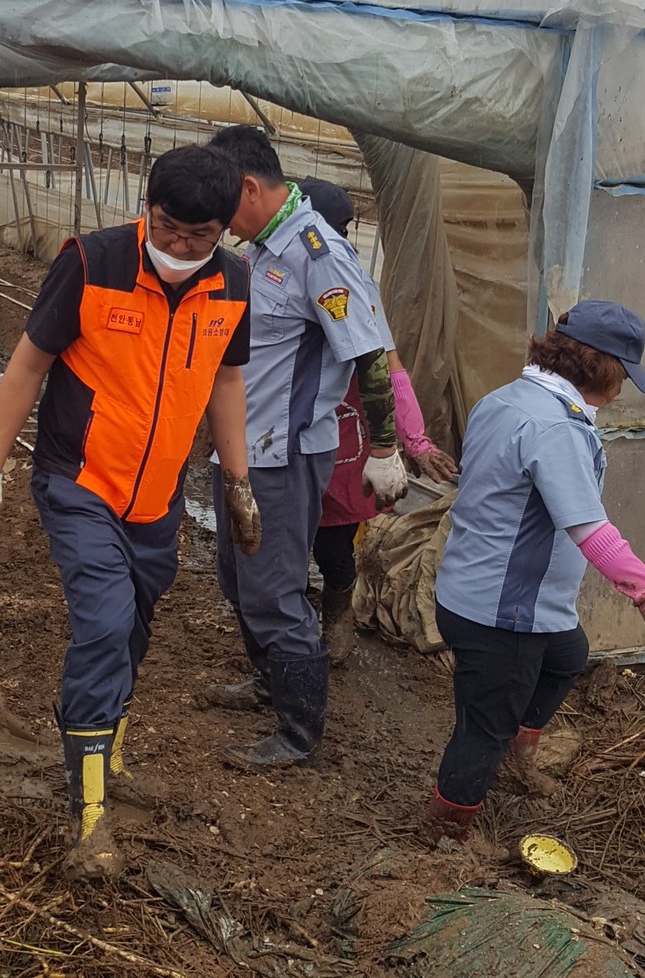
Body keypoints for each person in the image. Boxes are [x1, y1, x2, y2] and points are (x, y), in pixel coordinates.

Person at [0, 145, 258, 879]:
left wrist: (239, 482)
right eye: (166, 228)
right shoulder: (91, 264)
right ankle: (88, 815)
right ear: (145, 208)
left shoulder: (232, 284)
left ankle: (105, 755)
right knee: (100, 620)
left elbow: (225, 383)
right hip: (80, 481)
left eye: (198, 236)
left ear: (225, 229)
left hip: (158, 498)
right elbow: (28, 364)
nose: (180, 247)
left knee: (133, 622)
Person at [423, 300, 645, 844]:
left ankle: (513, 759)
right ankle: (444, 836)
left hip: (473, 588)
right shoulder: (556, 428)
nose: (623, 387)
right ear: (601, 369)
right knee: (482, 728)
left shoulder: (506, 398)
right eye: (623, 373)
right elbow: (590, 531)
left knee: (567, 654)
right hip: (502, 614)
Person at [203, 126, 406, 770]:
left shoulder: (319, 252)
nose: (215, 221)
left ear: (249, 188)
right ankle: (270, 683)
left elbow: (369, 354)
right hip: (241, 448)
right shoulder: (267, 245)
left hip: (283, 455)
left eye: (220, 204)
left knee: (275, 587)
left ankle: (299, 729)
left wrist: (385, 446)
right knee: (237, 577)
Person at [297, 177, 458, 664]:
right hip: (286, 425)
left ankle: (337, 613)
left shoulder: (350, 281)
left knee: (332, 538)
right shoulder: (270, 264)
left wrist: (415, 441)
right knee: (285, 532)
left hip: (342, 429)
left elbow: (390, 369)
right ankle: (291, 623)